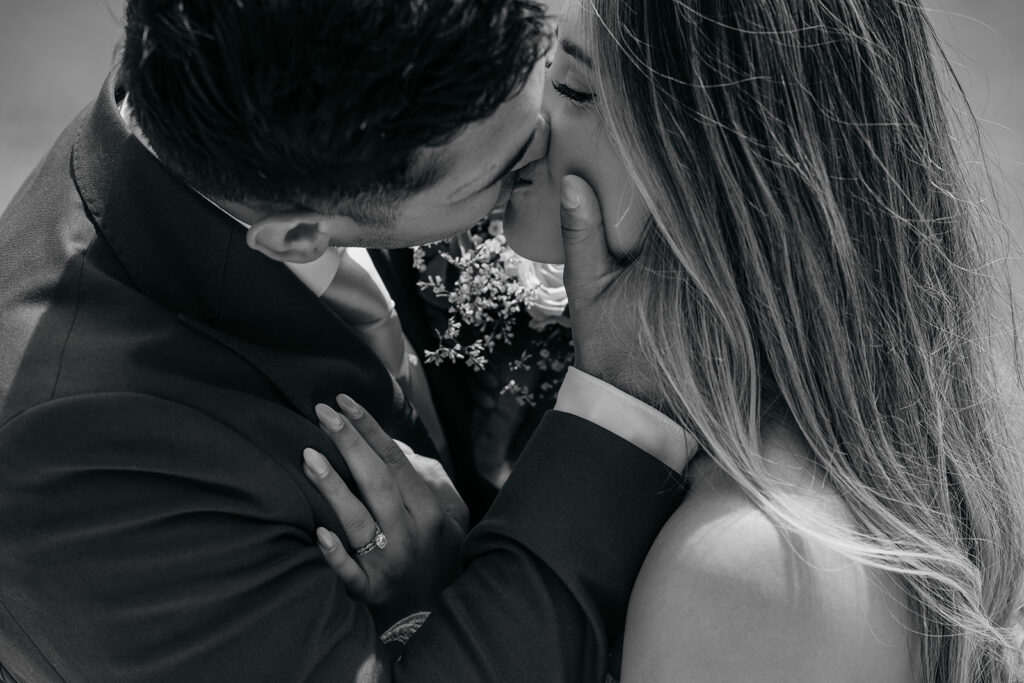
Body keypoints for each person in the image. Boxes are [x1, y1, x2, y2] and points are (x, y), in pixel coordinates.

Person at [320, 0, 1024, 680]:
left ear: (727, 174)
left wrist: (422, 621)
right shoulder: (796, 482)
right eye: (545, 68)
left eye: (574, 88)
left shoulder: (750, 569)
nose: (530, 121)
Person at [0, 1, 700, 681]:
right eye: (504, 175)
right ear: (300, 236)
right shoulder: (84, 467)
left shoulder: (248, 94)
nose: (551, 137)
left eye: (554, 72)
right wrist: (618, 407)